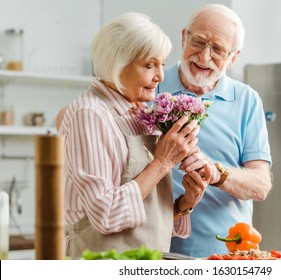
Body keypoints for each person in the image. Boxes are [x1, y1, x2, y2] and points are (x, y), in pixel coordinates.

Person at [57, 12, 211, 259]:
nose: (161, 76)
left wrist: (184, 204)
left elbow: (142, 220)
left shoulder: (140, 114)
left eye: (162, 64)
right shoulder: (90, 113)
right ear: (118, 66)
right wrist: (162, 163)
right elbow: (105, 215)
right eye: (149, 65)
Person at [157, 4, 272, 258]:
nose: (204, 57)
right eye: (198, 42)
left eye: (218, 49)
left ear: (233, 57)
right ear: (184, 37)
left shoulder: (246, 100)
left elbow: (261, 185)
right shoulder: (153, 84)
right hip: (157, 251)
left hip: (227, 254)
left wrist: (217, 173)